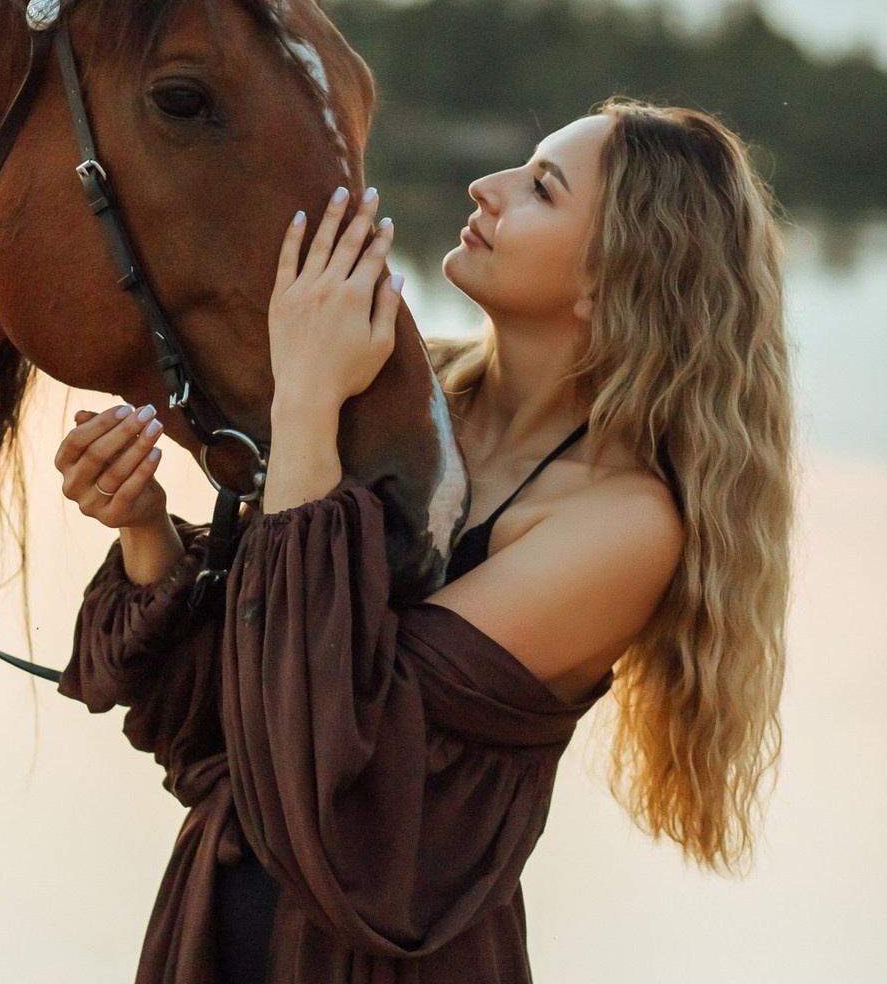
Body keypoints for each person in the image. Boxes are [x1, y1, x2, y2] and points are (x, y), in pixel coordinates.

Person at [53, 98, 794, 983]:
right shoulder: (407, 403)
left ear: (616, 275)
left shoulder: (622, 524)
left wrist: (305, 402)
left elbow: (326, 760)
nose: (486, 187)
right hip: (214, 931)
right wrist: (143, 524)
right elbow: (221, 724)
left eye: (542, 189)